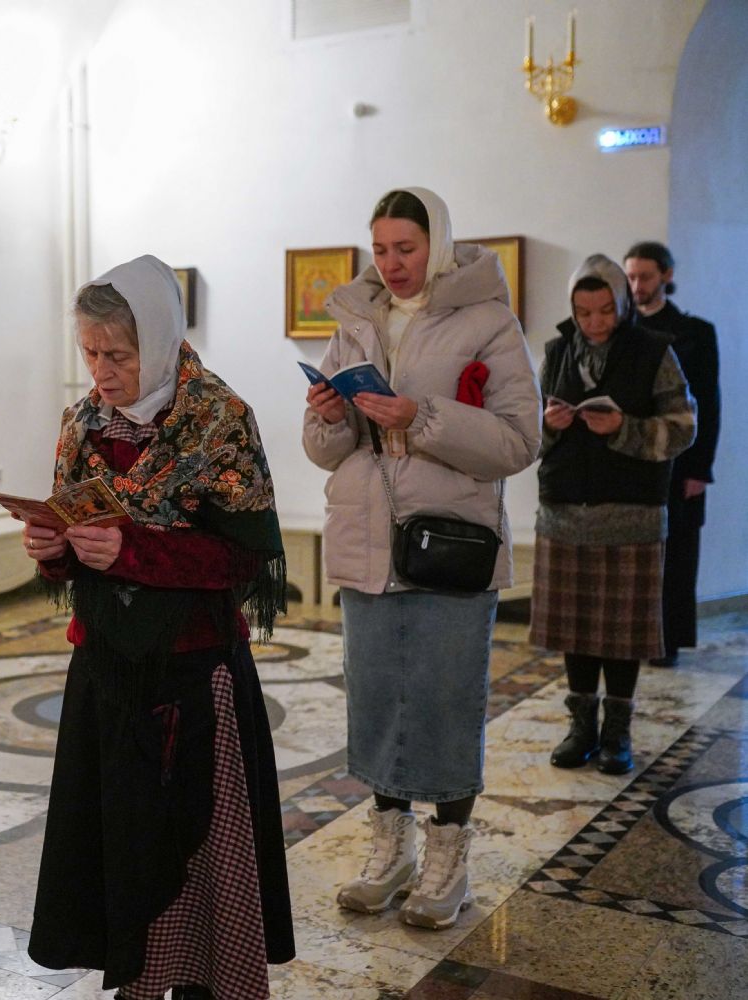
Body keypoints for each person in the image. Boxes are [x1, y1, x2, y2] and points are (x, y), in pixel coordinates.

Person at [26, 255, 293, 1000]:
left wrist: (133, 551)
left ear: (162, 337)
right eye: (89, 353)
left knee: (196, 846)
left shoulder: (219, 419)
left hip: (193, 672)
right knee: (124, 843)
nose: (101, 372)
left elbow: (243, 558)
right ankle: (138, 980)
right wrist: (53, 551)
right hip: (107, 668)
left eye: (117, 354)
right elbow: (75, 536)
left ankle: (204, 978)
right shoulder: (82, 424)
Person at [302, 188, 540, 930]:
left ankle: (448, 860)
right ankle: (391, 851)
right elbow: (324, 453)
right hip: (368, 541)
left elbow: (519, 441)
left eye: (405, 248)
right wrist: (327, 419)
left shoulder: (487, 320)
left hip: (448, 545)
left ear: (437, 243)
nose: (390, 263)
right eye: (379, 249)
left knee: (443, 701)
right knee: (376, 701)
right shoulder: (356, 319)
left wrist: (421, 416)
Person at [533, 254, 695, 775]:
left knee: (622, 633)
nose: (595, 323)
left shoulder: (654, 351)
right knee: (575, 629)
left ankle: (617, 733)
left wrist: (623, 429)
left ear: (622, 304)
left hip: (631, 515)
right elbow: (528, 436)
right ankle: (581, 727)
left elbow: (683, 427)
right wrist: (550, 424)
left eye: (605, 311)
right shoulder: (557, 351)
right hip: (564, 511)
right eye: (583, 313)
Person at [623, 242, 720, 667]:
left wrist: (700, 469)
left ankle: (667, 643)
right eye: (631, 277)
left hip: (681, 462)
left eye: (645, 276)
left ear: (666, 275)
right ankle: (630, 639)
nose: (637, 285)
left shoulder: (696, 332)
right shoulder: (621, 329)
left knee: (677, 553)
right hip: (631, 456)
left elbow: (709, 406)